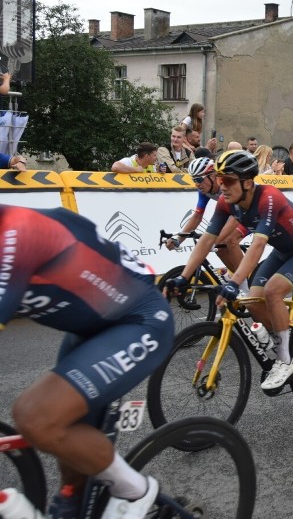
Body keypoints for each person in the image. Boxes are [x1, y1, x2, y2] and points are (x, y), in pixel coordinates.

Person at [2, 204, 174, 518]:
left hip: (139, 322)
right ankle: (73, 495)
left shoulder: (17, 233)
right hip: (89, 331)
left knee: (36, 417)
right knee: (64, 429)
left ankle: (135, 491)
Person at [166, 150, 293, 389]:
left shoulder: (268, 198)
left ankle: (285, 360)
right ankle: (278, 334)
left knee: (271, 291)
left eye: (228, 180)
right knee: (252, 300)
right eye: (220, 180)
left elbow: (258, 245)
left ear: (248, 182)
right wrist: (183, 276)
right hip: (283, 251)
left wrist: (233, 282)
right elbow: (208, 240)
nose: (222, 186)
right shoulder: (226, 203)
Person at [163, 155, 248, 285]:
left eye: (199, 179)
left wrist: (213, 241)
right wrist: (179, 238)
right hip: (235, 213)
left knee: (230, 239)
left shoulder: (227, 185)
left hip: (252, 211)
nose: (197, 184)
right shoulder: (204, 190)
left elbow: (236, 216)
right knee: (220, 248)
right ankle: (242, 282)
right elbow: (197, 216)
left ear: (213, 176)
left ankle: (247, 286)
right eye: (193, 180)